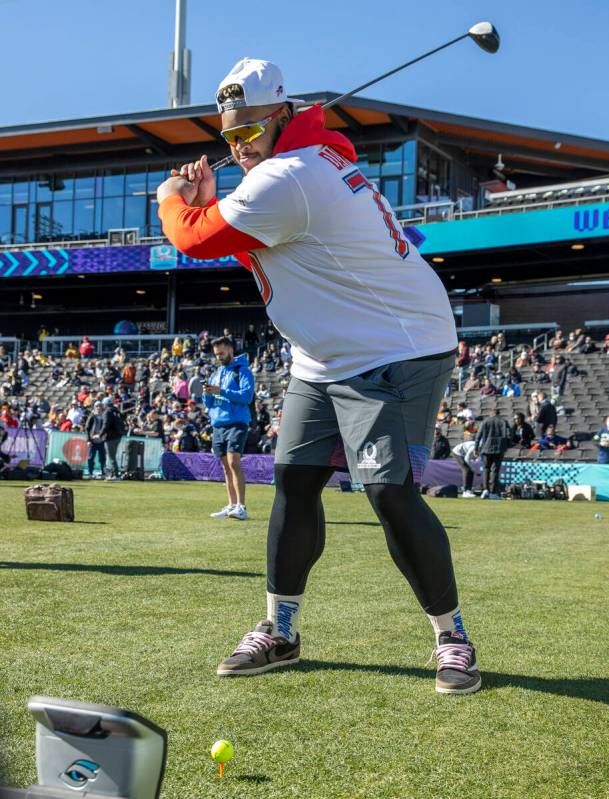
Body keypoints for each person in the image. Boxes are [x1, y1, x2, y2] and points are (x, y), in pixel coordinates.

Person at [157, 57, 480, 694]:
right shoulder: (294, 165)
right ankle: (280, 630)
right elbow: (236, 226)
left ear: (281, 116)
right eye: (229, 137)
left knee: (388, 492)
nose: (239, 146)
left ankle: (453, 638)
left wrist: (174, 200)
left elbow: (193, 241)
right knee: (293, 482)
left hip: (398, 347)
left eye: (249, 131)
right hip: (326, 354)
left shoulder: (292, 177)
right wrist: (209, 203)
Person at [204, 336, 255, 520]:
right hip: (218, 424)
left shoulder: (242, 370)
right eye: (216, 354)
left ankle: (242, 506)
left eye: (222, 353)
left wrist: (221, 391)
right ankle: (232, 505)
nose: (219, 357)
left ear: (230, 350)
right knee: (226, 467)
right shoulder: (215, 374)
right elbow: (209, 404)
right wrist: (207, 394)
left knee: (234, 463)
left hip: (237, 422)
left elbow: (247, 396)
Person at [475, 408, 511, 499]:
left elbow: (478, 436)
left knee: (486, 469)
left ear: (491, 414)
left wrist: (476, 448)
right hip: (499, 449)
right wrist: (506, 447)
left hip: (486, 448)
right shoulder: (504, 422)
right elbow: (510, 435)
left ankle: (485, 489)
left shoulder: (485, 421)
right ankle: (493, 492)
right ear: (499, 414)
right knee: (495, 470)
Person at [101, 397, 124, 479]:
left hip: (110, 437)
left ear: (105, 404)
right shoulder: (117, 411)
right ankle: (113, 473)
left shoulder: (107, 412)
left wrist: (100, 434)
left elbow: (106, 425)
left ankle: (115, 474)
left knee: (111, 457)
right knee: (112, 456)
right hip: (118, 436)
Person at [86, 400, 107, 478]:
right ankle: (90, 472)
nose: (98, 408)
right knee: (91, 457)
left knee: (102, 458)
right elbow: (87, 428)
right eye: (97, 406)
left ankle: (103, 473)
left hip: (101, 440)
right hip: (93, 441)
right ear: (95, 407)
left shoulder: (104, 416)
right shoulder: (92, 416)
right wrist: (88, 440)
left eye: (100, 406)